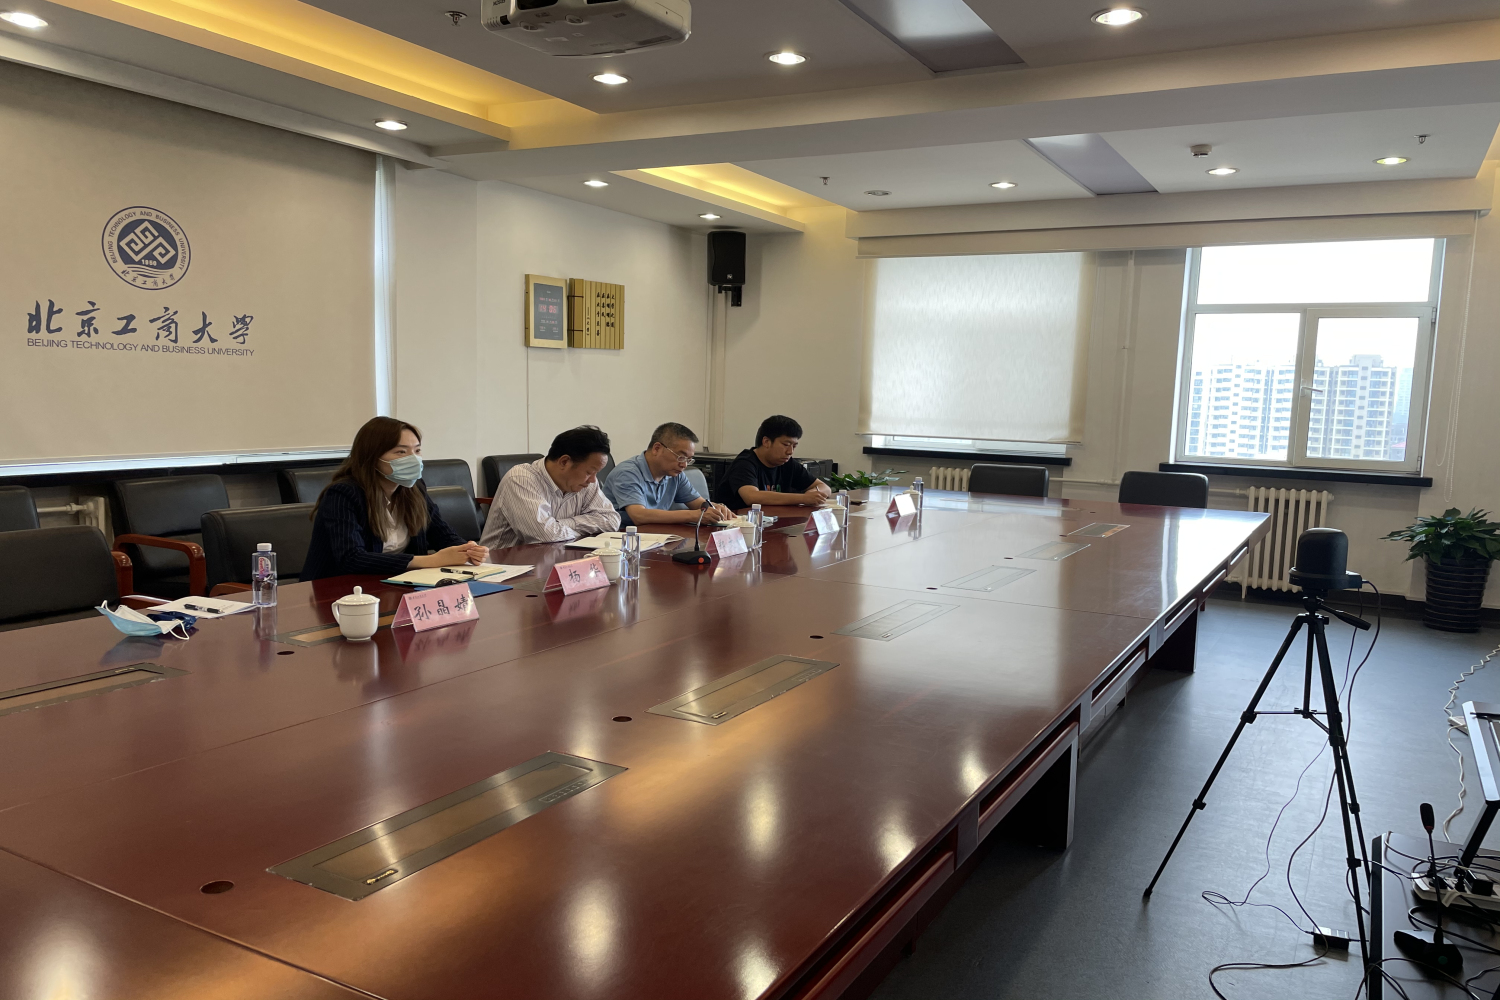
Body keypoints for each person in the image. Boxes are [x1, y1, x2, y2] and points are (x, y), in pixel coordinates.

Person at [302, 416, 488, 581]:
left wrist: (467, 549)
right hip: (339, 589)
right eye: (401, 452)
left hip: (397, 583)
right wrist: (430, 560)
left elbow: (441, 533)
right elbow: (351, 558)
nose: (413, 459)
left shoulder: (414, 488)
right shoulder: (343, 494)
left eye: (417, 451)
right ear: (372, 456)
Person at [481, 425, 620, 550]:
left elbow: (612, 520)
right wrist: (583, 525)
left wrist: (560, 524)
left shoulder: (586, 483)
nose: (593, 480)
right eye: (589, 472)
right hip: (502, 565)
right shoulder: (521, 479)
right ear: (564, 462)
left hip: (556, 560)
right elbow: (545, 536)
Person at [603, 422, 734, 528]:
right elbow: (639, 516)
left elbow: (699, 503)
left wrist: (715, 508)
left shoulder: (674, 474)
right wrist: (695, 515)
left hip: (656, 536)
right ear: (657, 448)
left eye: (689, 460)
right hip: (622, 539)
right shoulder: (627, 473)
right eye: (681, 457)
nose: (684, 465)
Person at [714, 414, 832, 509]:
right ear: (766, 442)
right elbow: (752, 497)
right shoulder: (745, 463)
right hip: (739, 524)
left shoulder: (787, 463)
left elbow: (824, 487)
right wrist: (803, 498)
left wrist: (814, 494)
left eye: (794, 446)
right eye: (786, 444)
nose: (790, 451)